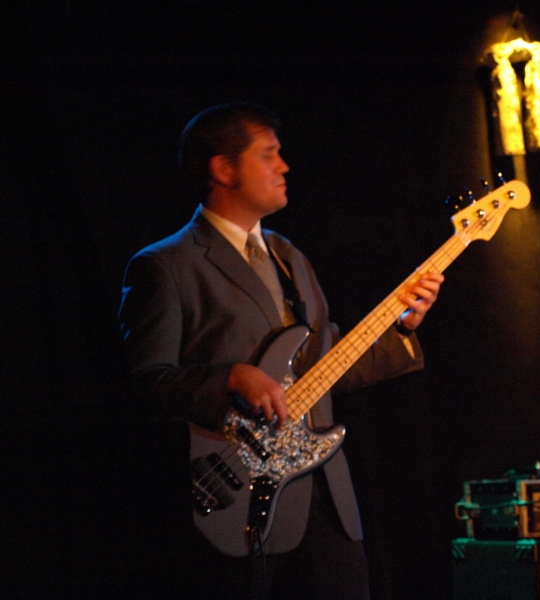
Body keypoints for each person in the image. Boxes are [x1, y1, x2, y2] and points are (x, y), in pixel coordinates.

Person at [118, 102, 444, 600]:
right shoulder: (165, 265)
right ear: (223, 168)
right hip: (238, 501)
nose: (284, 166)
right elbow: (146, 382)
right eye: (267, 154)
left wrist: (400, 328)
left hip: (325, 499)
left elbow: (328, 367)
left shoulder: (290, 257)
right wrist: (232, 377)